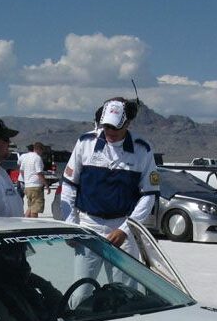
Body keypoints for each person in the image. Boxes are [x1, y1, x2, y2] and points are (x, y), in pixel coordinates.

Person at [59, 97, 159, 262]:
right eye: (106, 126)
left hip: (123, 227)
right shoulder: (85, 143)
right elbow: (69, 185)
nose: (110, 131)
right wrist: (71, 225)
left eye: (115, 127)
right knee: (83, 285)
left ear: (127, 124)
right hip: (88, 225)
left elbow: (149, 194)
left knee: (124, 286)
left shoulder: (142, 149)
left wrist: (125, 230)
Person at [20, 142, 46, 218]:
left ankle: (25, 221)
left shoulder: (25, 157)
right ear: (39, 149)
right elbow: (39, 173)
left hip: (28, 186)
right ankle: (34, 225)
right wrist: (46, 184)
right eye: (42, 151)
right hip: (36, 186)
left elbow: (21, 170)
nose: (42, 153)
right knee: (35, 209)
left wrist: (26, 179)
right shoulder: (37, 158)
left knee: (31, 206)